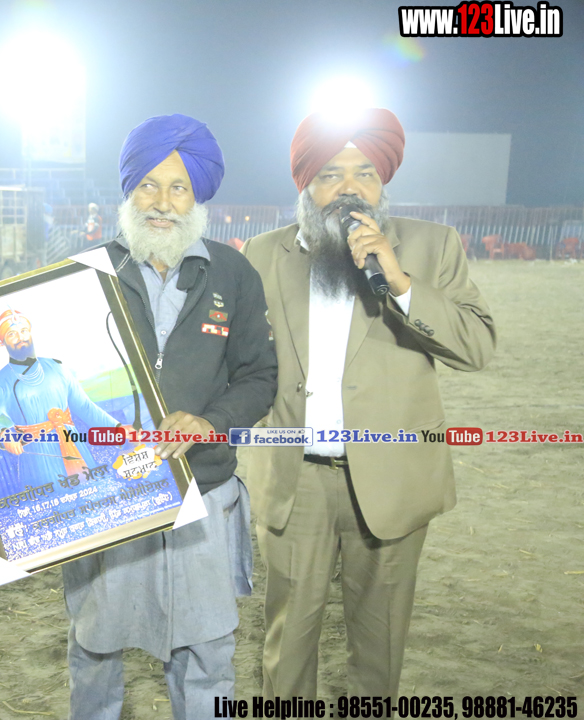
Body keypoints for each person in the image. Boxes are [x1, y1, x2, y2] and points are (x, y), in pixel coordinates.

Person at [242, 108, 496, 699]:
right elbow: (239, 360)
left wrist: (400, 283)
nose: (349, 188)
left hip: (393, 479)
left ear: (384, 182)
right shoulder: (261, 253)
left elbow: (476, 346)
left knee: (378, 652)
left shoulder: (432, 246)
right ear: (305, 184)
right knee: (287, 647)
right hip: (295, 480)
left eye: (365, 173)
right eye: (330, 174)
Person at [61, 114, 277, 720]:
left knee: (206, 650)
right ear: (128, 191)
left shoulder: (232, 273)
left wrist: (211, 421)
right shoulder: (85, 274)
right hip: (106, 493)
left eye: (178, 187)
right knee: (95, 644)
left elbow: (259, 376)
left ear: (198, 196)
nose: (162, 202)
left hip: (201, 488)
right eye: (148, 185)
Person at [0, 308, 122, 497]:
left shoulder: (57, 367)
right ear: (1, 342)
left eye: (23, 330)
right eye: (11, 334)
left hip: (75, 448)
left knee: (94, 498)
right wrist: (3, 434)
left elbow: (85, 407)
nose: (20, 337)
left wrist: (119, 429)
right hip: (37, 460)